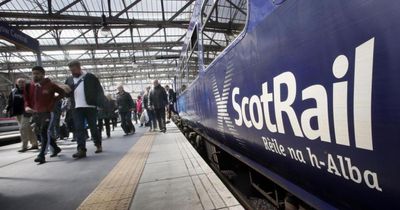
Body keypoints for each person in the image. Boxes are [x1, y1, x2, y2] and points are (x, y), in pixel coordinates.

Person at [24, 66, 65, 164]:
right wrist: (27, 107)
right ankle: (55, 148)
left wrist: (53, 101)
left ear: (43, 74)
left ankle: (42, 155)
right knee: (40, 133)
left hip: (47, 113)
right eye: (33, 73)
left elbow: (62, 93)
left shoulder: (50, 85)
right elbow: (26, 99)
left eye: (37, 73)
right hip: (35, 113)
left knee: (44, 132)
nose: (35, 75)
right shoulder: (30, 86)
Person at [65, 60, 104, 159]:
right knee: (79, 128)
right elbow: (67, 94)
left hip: (90, 106)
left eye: (74, 69)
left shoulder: (90, 77)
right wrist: (65, 91)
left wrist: (99, 104)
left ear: (79, 67)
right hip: (77, 108)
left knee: (93, 127)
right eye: (71, 70)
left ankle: (98, 144)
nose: (73, 72)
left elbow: (99, 90)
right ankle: (81, 150)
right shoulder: (69, 80)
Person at [6, 78, 38, 152]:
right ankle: (34, 144)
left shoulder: (28, 91)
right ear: (16, 83)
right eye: (19, 82)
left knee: (22, 128)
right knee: (28, 128)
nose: (21, 83)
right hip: (17, 113)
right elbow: (10, 101)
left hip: (26, 112)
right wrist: (7, 109)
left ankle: (24, 146)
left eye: (23, 82)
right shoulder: (14, 91)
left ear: (25, 83)